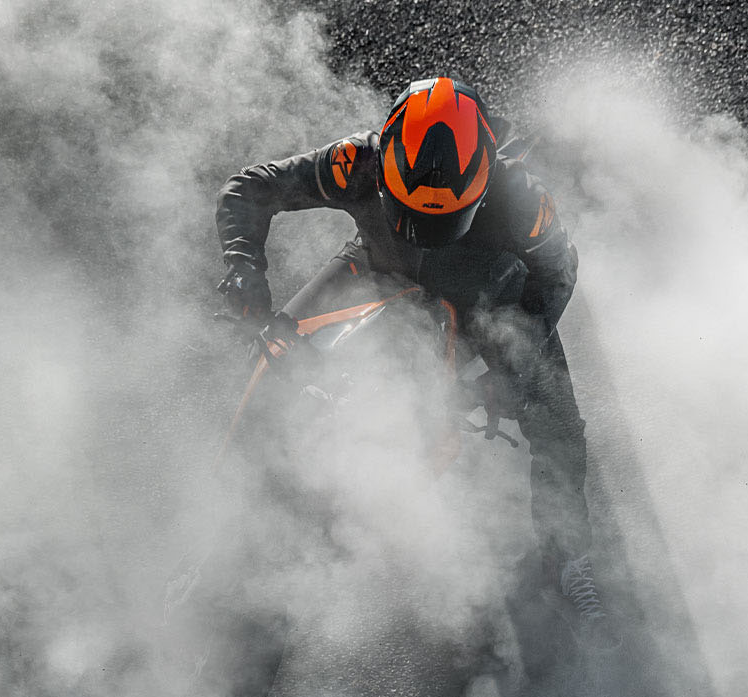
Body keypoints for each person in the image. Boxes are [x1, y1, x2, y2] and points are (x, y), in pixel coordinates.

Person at [211, 77, 609, 634]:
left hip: (490, 292)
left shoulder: (522, 197)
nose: (426, 230)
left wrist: (516, 350)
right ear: (388, 167)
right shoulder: (360, 161)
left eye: (444, 219)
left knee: (557, 424)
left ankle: (569, 558)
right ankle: (230, 496)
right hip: (378, 267)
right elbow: (250, 187)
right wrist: (243, 266)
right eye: (413, 211)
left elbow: (558, 274)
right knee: (274, 353)